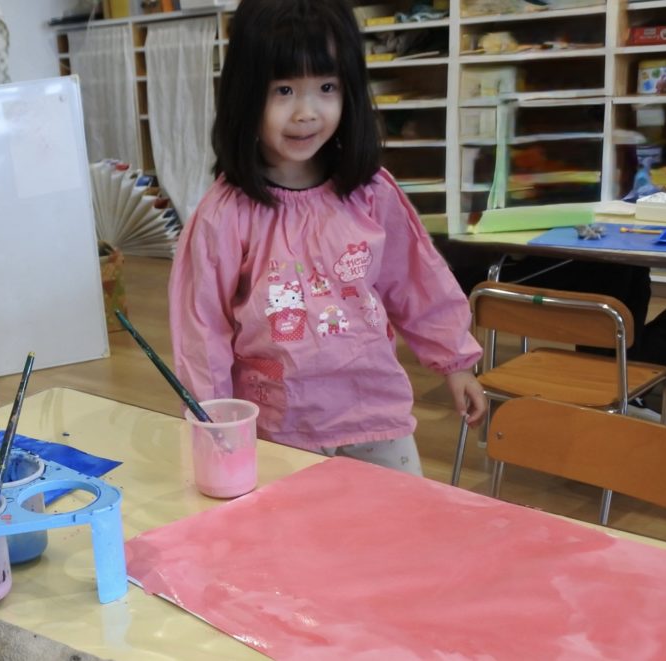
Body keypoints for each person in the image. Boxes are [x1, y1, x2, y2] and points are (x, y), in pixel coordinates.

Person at [168, 0, 487, 476]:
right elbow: (202, 330)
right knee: (293, 526)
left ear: (349, 90)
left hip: (375, 415)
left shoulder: (370, 192)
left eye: (326, 87)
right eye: (283, 90)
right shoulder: (226, 213)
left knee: (397, 521)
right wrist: (213, 421)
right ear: (245, 94)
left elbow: (417, 280)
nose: (306, 112)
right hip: (278, 428)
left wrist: (455, 361)